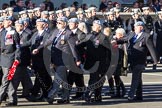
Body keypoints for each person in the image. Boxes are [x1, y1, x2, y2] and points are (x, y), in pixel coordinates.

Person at [33, 17, 81, 104]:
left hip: (65, 60)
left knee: (57, 79)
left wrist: (77, 59)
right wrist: (38, 48)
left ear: (65, 24)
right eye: (57, 22)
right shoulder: (56, 32)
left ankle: (50, 96)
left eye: (60, 23)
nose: (57, 24)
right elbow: (48, 41)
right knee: (64, 80)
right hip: (56, 60)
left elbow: (73, 48)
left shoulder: (69, 34)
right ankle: (65, 98)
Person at [116, 21, 159, 101]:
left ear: (141, 28)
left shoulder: (146, 36)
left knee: (135, 78)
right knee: (138, 78)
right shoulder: (132, 34)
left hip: (140, 61)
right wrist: (115, 41)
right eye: (134, 27)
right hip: (132, 60)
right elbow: (125, 39)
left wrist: (155, 60)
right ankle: (139, 95)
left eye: (136, 27)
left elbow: (151, 48)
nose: (134, 28)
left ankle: (131, 95)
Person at [77, 20, 111, 102]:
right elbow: (81, 45)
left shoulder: (103, 37)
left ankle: (90, 94)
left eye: (95, 25)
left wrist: (108, 63)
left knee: (96, 79)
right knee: (94, 79)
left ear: (99, 27)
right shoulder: (89, 35)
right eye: (93, 25)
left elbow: (109, 51)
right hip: (91, 62)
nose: (93, 26)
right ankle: (96, 96)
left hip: (100, 62)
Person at [0, 16, 21, 106]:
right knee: (9, 80)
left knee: (6, 79)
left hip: (10, 59)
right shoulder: (3, 32)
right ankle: (13, 100)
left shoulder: (13, 32)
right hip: (3, 58)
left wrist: (17, 57)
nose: (3, 23)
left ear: (9, 22)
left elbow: (17, 46)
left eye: (4, 21)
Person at [68, 18, 86, 100]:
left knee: (72, 76)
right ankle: (80, 93)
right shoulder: (69, 33)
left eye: (72, 23)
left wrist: (74, 44)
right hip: (71, 57)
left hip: (78, 58)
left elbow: (81, 45)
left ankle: (67, 92)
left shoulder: (81, 34)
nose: (70, 25)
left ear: (76, 24)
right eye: (69, 23)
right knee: (78, 77)